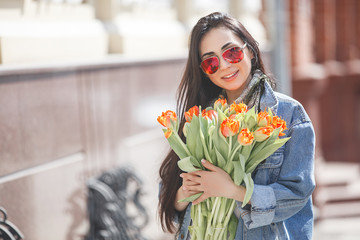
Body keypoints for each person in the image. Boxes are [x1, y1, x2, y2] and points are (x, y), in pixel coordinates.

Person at [158, 12, 315, 240]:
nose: (224, 65)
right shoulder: (200, 118)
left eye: (231, 52)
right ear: (204, 71)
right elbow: (169, 196)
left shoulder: (289, 115)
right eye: (211, 61)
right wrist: (186, 191)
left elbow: (297, 195)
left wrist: (234, 190)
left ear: (249, 50)